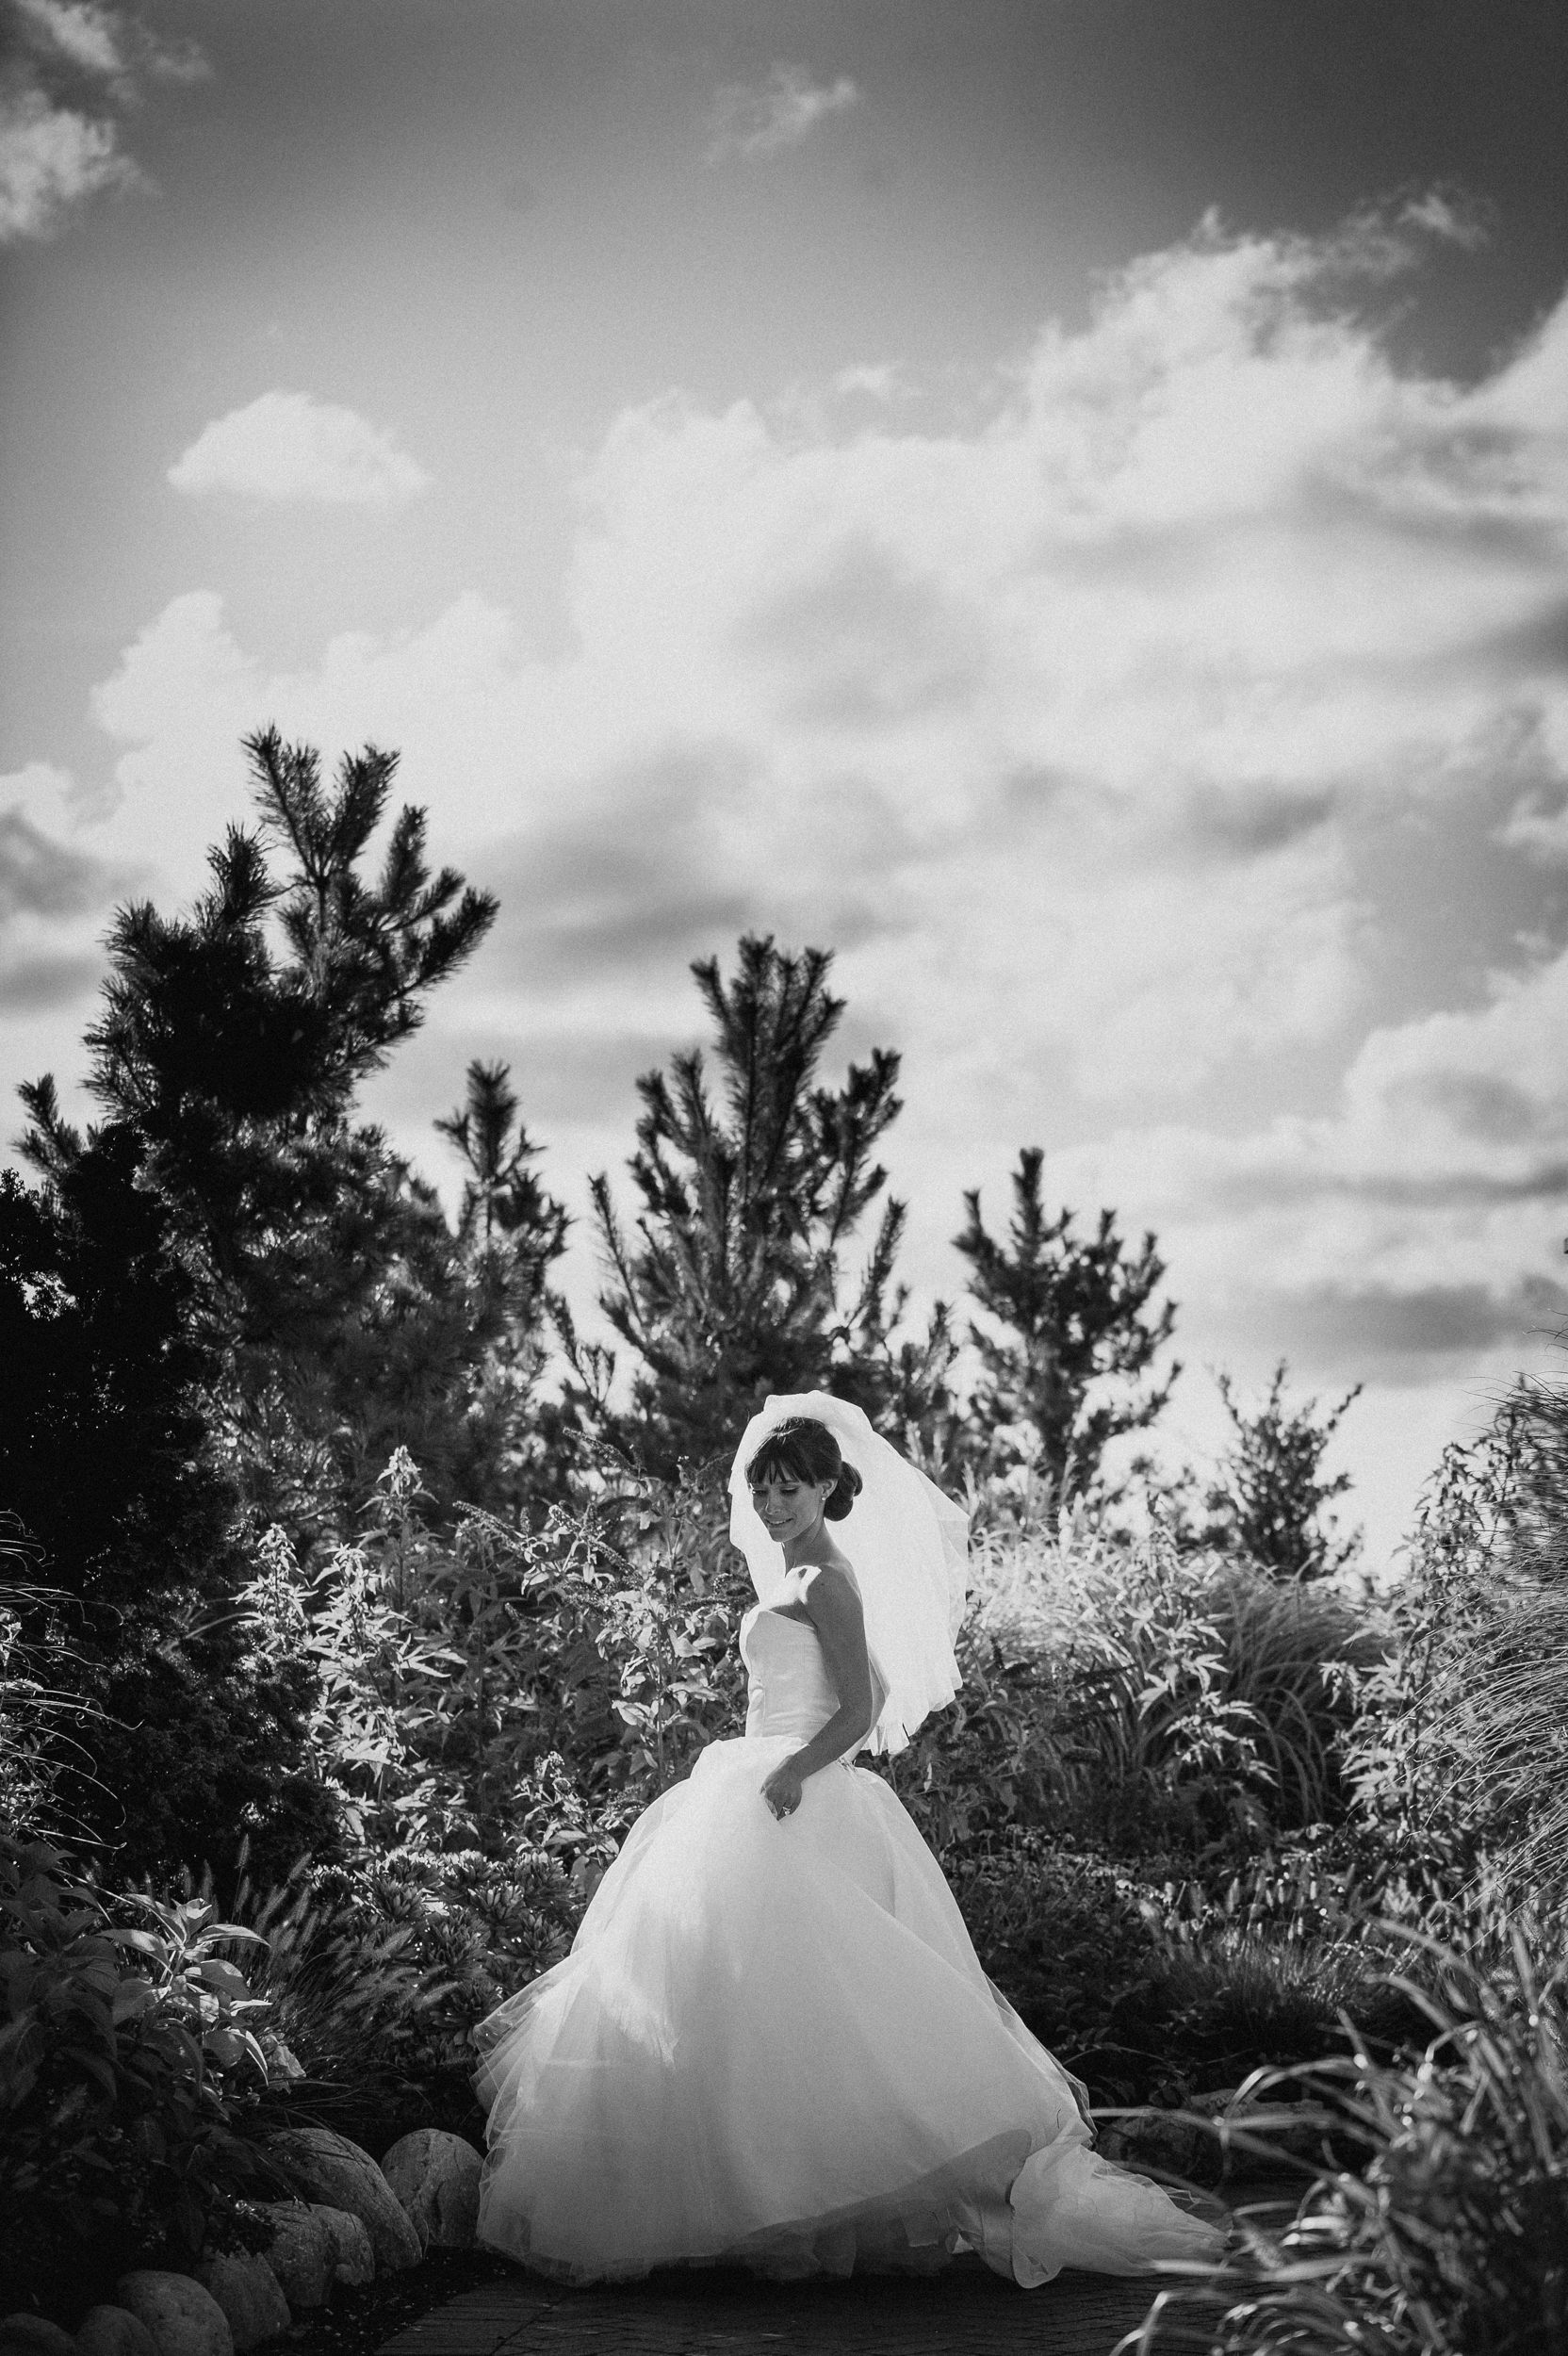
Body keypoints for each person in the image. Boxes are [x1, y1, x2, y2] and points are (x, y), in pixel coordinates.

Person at [473, 1392, 1226, 2287]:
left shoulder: (828, 1577)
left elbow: (863, 1713)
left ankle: (803, 2205)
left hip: (793, 1795)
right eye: (763, 1487)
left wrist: (793, 1770)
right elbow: (846, 1681)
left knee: (807, 2006)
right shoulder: (790, 1577)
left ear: (830, 1488)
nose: (772, 1502)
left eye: (791, 1487)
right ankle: (769, 2205)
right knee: (749, 2004)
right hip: (754, 1784)